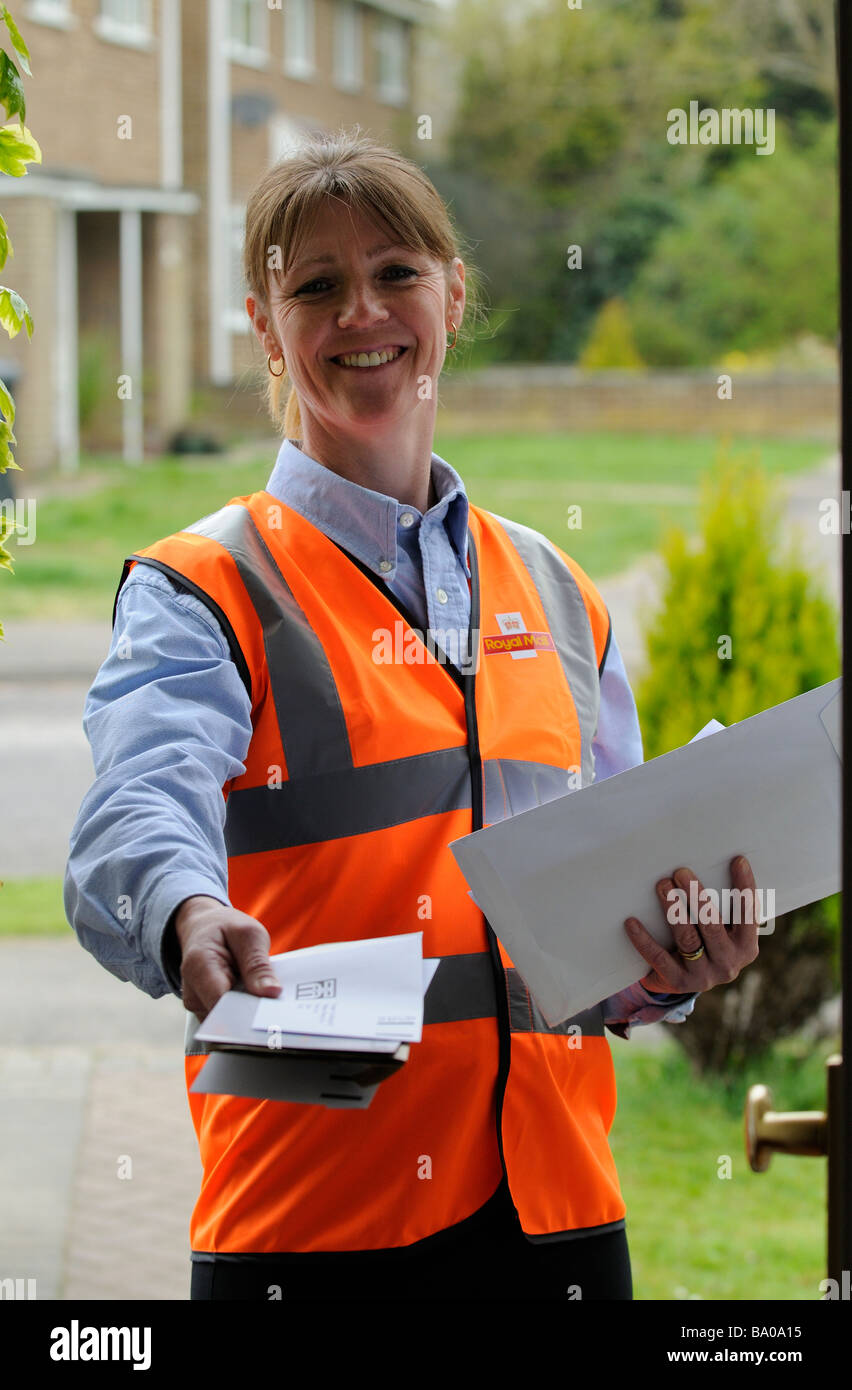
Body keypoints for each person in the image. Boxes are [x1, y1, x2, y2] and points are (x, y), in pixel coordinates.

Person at [64, 128, 760, 1302]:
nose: (361, 313)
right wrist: (186, 911)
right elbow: (135, 805)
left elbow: (589, 937)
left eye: (395, 273)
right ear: (263, 325)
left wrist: (676, 959)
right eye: (315, 286)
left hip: (562, 1223)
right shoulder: (203, 587)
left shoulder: (553, 588)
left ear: (454, 293)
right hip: (312, 1229)